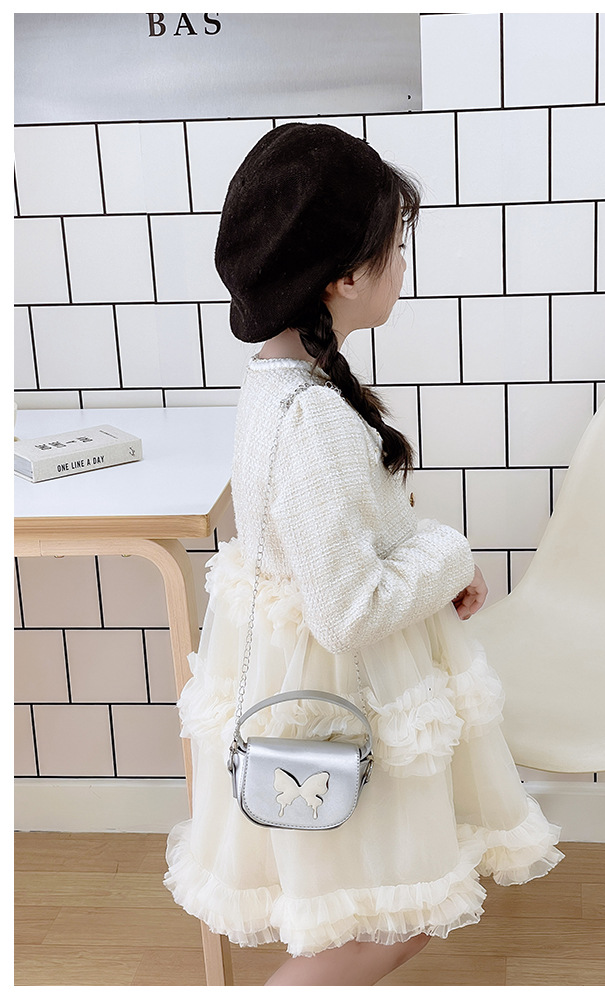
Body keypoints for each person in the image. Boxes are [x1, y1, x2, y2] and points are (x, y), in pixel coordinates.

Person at [164, 122, 563, 987]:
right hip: (344, 698)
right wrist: (451, 555)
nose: (403, 266)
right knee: (389, 914)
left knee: (353, 908)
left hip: (317, 687)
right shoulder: (313, 419)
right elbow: (348, 609)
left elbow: (341, 544)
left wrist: (432, 559)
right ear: (345, 276)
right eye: (395, 247)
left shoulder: (282, 385)